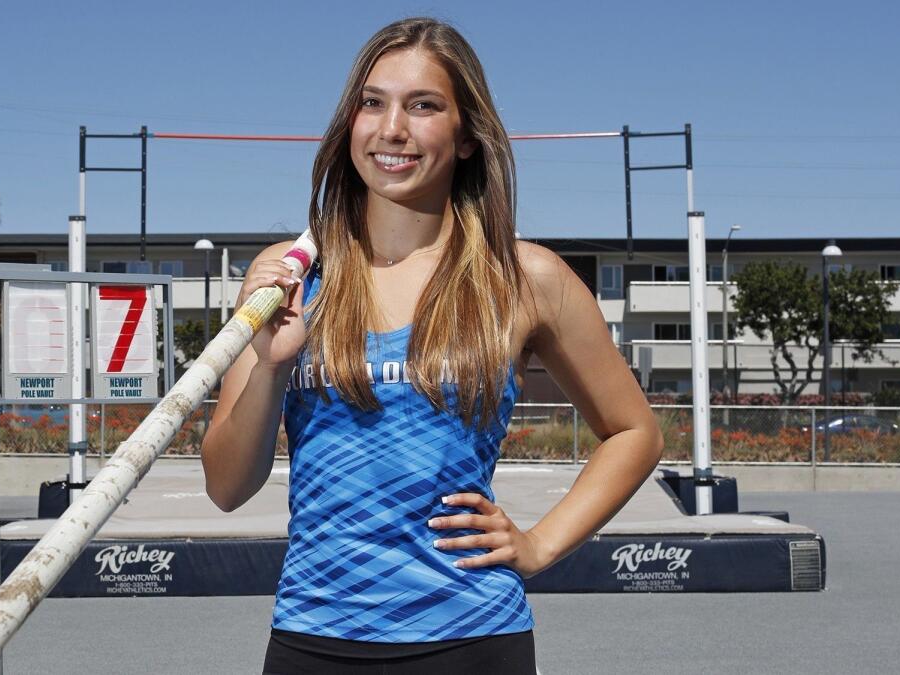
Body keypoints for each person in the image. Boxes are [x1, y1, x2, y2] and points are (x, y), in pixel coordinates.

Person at [201, 17, 663, 674]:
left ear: (466, 135)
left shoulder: (524, 278)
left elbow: (634, 431)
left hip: (473, 639)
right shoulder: (291, 275)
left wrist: (538, 544)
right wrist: (274, 366)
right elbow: (225, 485)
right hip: (315, 635)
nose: (393, 128)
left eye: (423, 106)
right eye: (373, 102)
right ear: (349, 123)